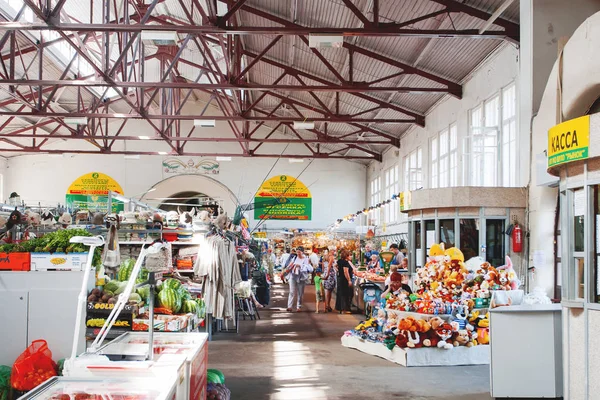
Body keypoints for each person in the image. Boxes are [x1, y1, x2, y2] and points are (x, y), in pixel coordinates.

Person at [284, 246, 313, 312]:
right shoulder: (294, 258)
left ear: (302, 252)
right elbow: (289, 266)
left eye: (299, 252)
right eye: (297, 252)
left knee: (300, 293)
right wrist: (286, 270)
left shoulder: (306, 259)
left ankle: (298, 306)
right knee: (291, 291)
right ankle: (289, 306)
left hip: (301, 277)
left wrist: (300, 266)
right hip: (293, 276)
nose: (298, 253)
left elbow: (310, 269)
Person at [335, 249, 354, 314]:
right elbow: (346, 272)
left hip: (340, 279)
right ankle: (344, 309)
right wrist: (349, 280)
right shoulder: (345, 263)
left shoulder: (340, 261)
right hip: (344, 280)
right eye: (350, 255)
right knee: (346, 294)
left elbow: (335, 266)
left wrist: (338, 271)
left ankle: (340, 308)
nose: (351, 257)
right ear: (347, 256)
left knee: (340, 293)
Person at [322, 248, 337, 312]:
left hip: (325, 273)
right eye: (334, 250)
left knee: (327, 291)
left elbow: (323, 267)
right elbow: (329, 266)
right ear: (331, 251)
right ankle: (327, 306)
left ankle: (327, 305)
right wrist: (327, 274)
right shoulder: (331, 257)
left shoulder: (325, 257)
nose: (334, 252)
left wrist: (324, 273)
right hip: (330, 275)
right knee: (328, 291)